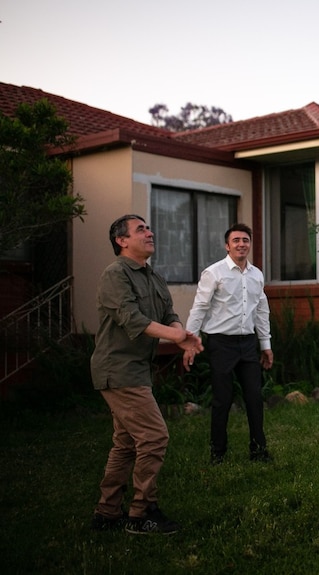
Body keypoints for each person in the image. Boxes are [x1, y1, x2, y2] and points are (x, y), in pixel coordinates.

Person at [91, 215, 203, 535]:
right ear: (121, 241)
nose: (150, 232)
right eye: (140, 229)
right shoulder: (115, 275)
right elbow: (133, 320)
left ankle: (107, 512)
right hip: (118, 368)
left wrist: (182, 336)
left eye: (149, 228)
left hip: (137, 368)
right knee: (154, 436)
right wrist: (177, 336)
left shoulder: (153, 277)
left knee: (126, 443)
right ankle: (142, 514)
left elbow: (170, 315)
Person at [185, 223, 273, 464]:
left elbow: (261, 310)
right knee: (222, 400)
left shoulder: (257, 275)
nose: (241, 244)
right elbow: (200, 307)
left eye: (245, 240)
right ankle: (218, 453)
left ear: (250, 244)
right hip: (221, 344)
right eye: (236, 240)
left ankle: (258, 450)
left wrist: (265, 344)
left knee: (254, 397)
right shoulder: (214, 273)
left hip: (248, 344)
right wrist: (189, 340)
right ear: (227, 245)